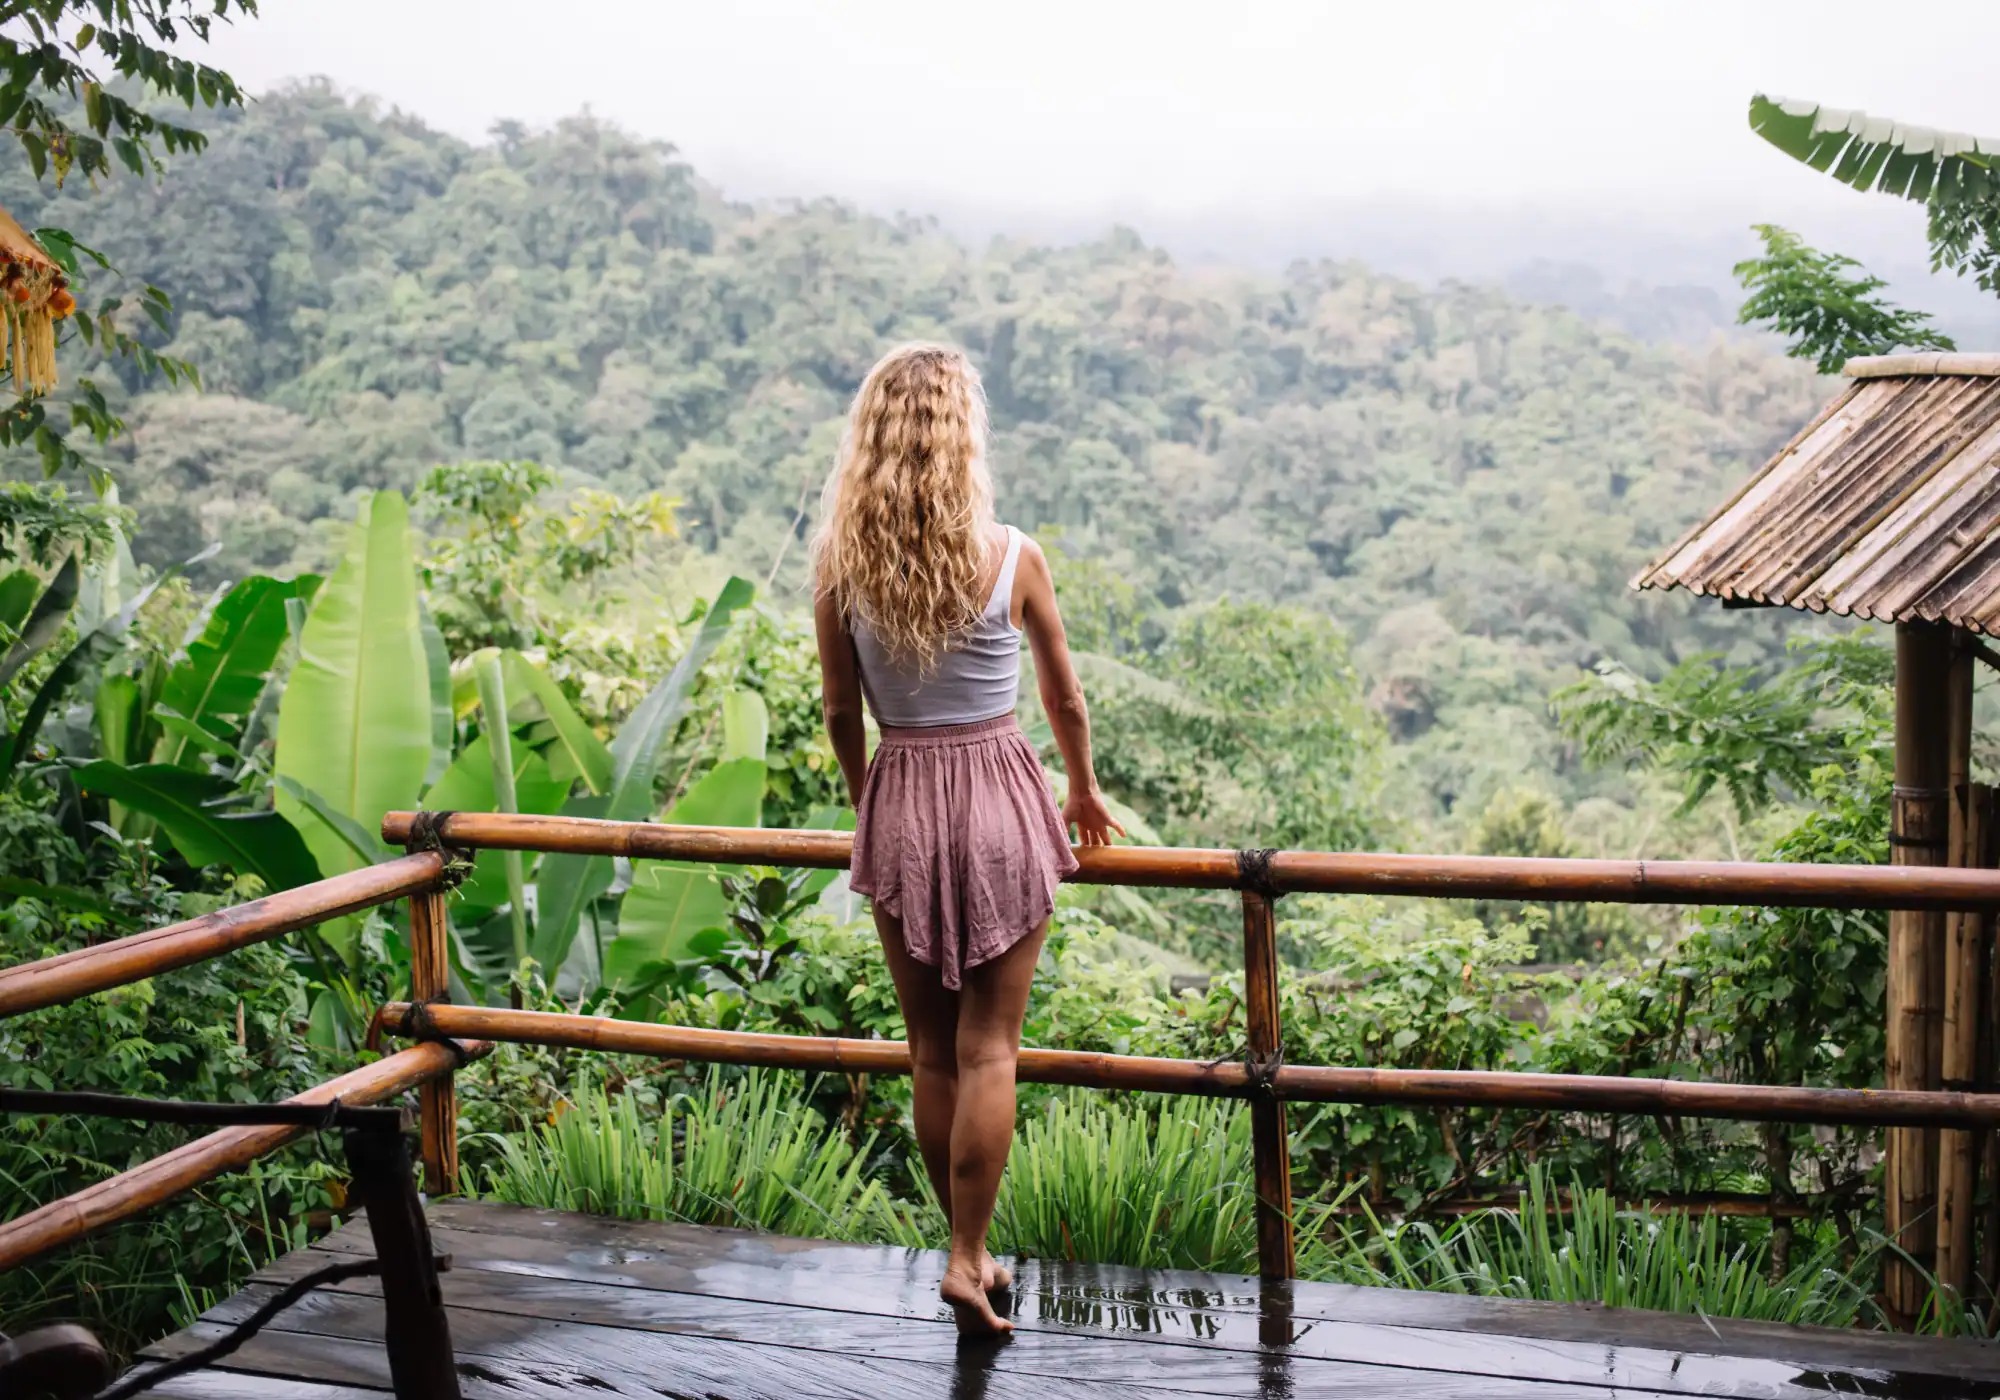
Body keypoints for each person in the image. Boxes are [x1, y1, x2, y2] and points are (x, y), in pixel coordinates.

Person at [812, 342, 1120, 1336]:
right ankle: (963, 1256)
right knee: (991, 1048)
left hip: (899, 789)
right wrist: (1079, 787)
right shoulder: (1011, 554)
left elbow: (837, 712)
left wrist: (874, 806)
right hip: (997, 794)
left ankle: (966, 1251)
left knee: (930, 1052)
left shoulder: (839, 565)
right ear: (963, 439)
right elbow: (1062, 693)